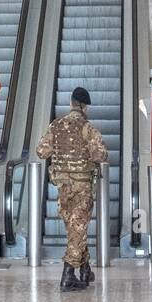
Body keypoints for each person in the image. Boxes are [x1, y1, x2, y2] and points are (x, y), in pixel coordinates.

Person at [36, 87, 108, 290]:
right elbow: (99, 155)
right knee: (78, 229)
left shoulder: (56, 125)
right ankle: (68, 274)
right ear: (85, 107)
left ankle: (85, 269)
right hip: (82, 187)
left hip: (63, 188)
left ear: (71, 104)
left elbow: (41, 151)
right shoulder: (88, 128)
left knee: (75, 229)